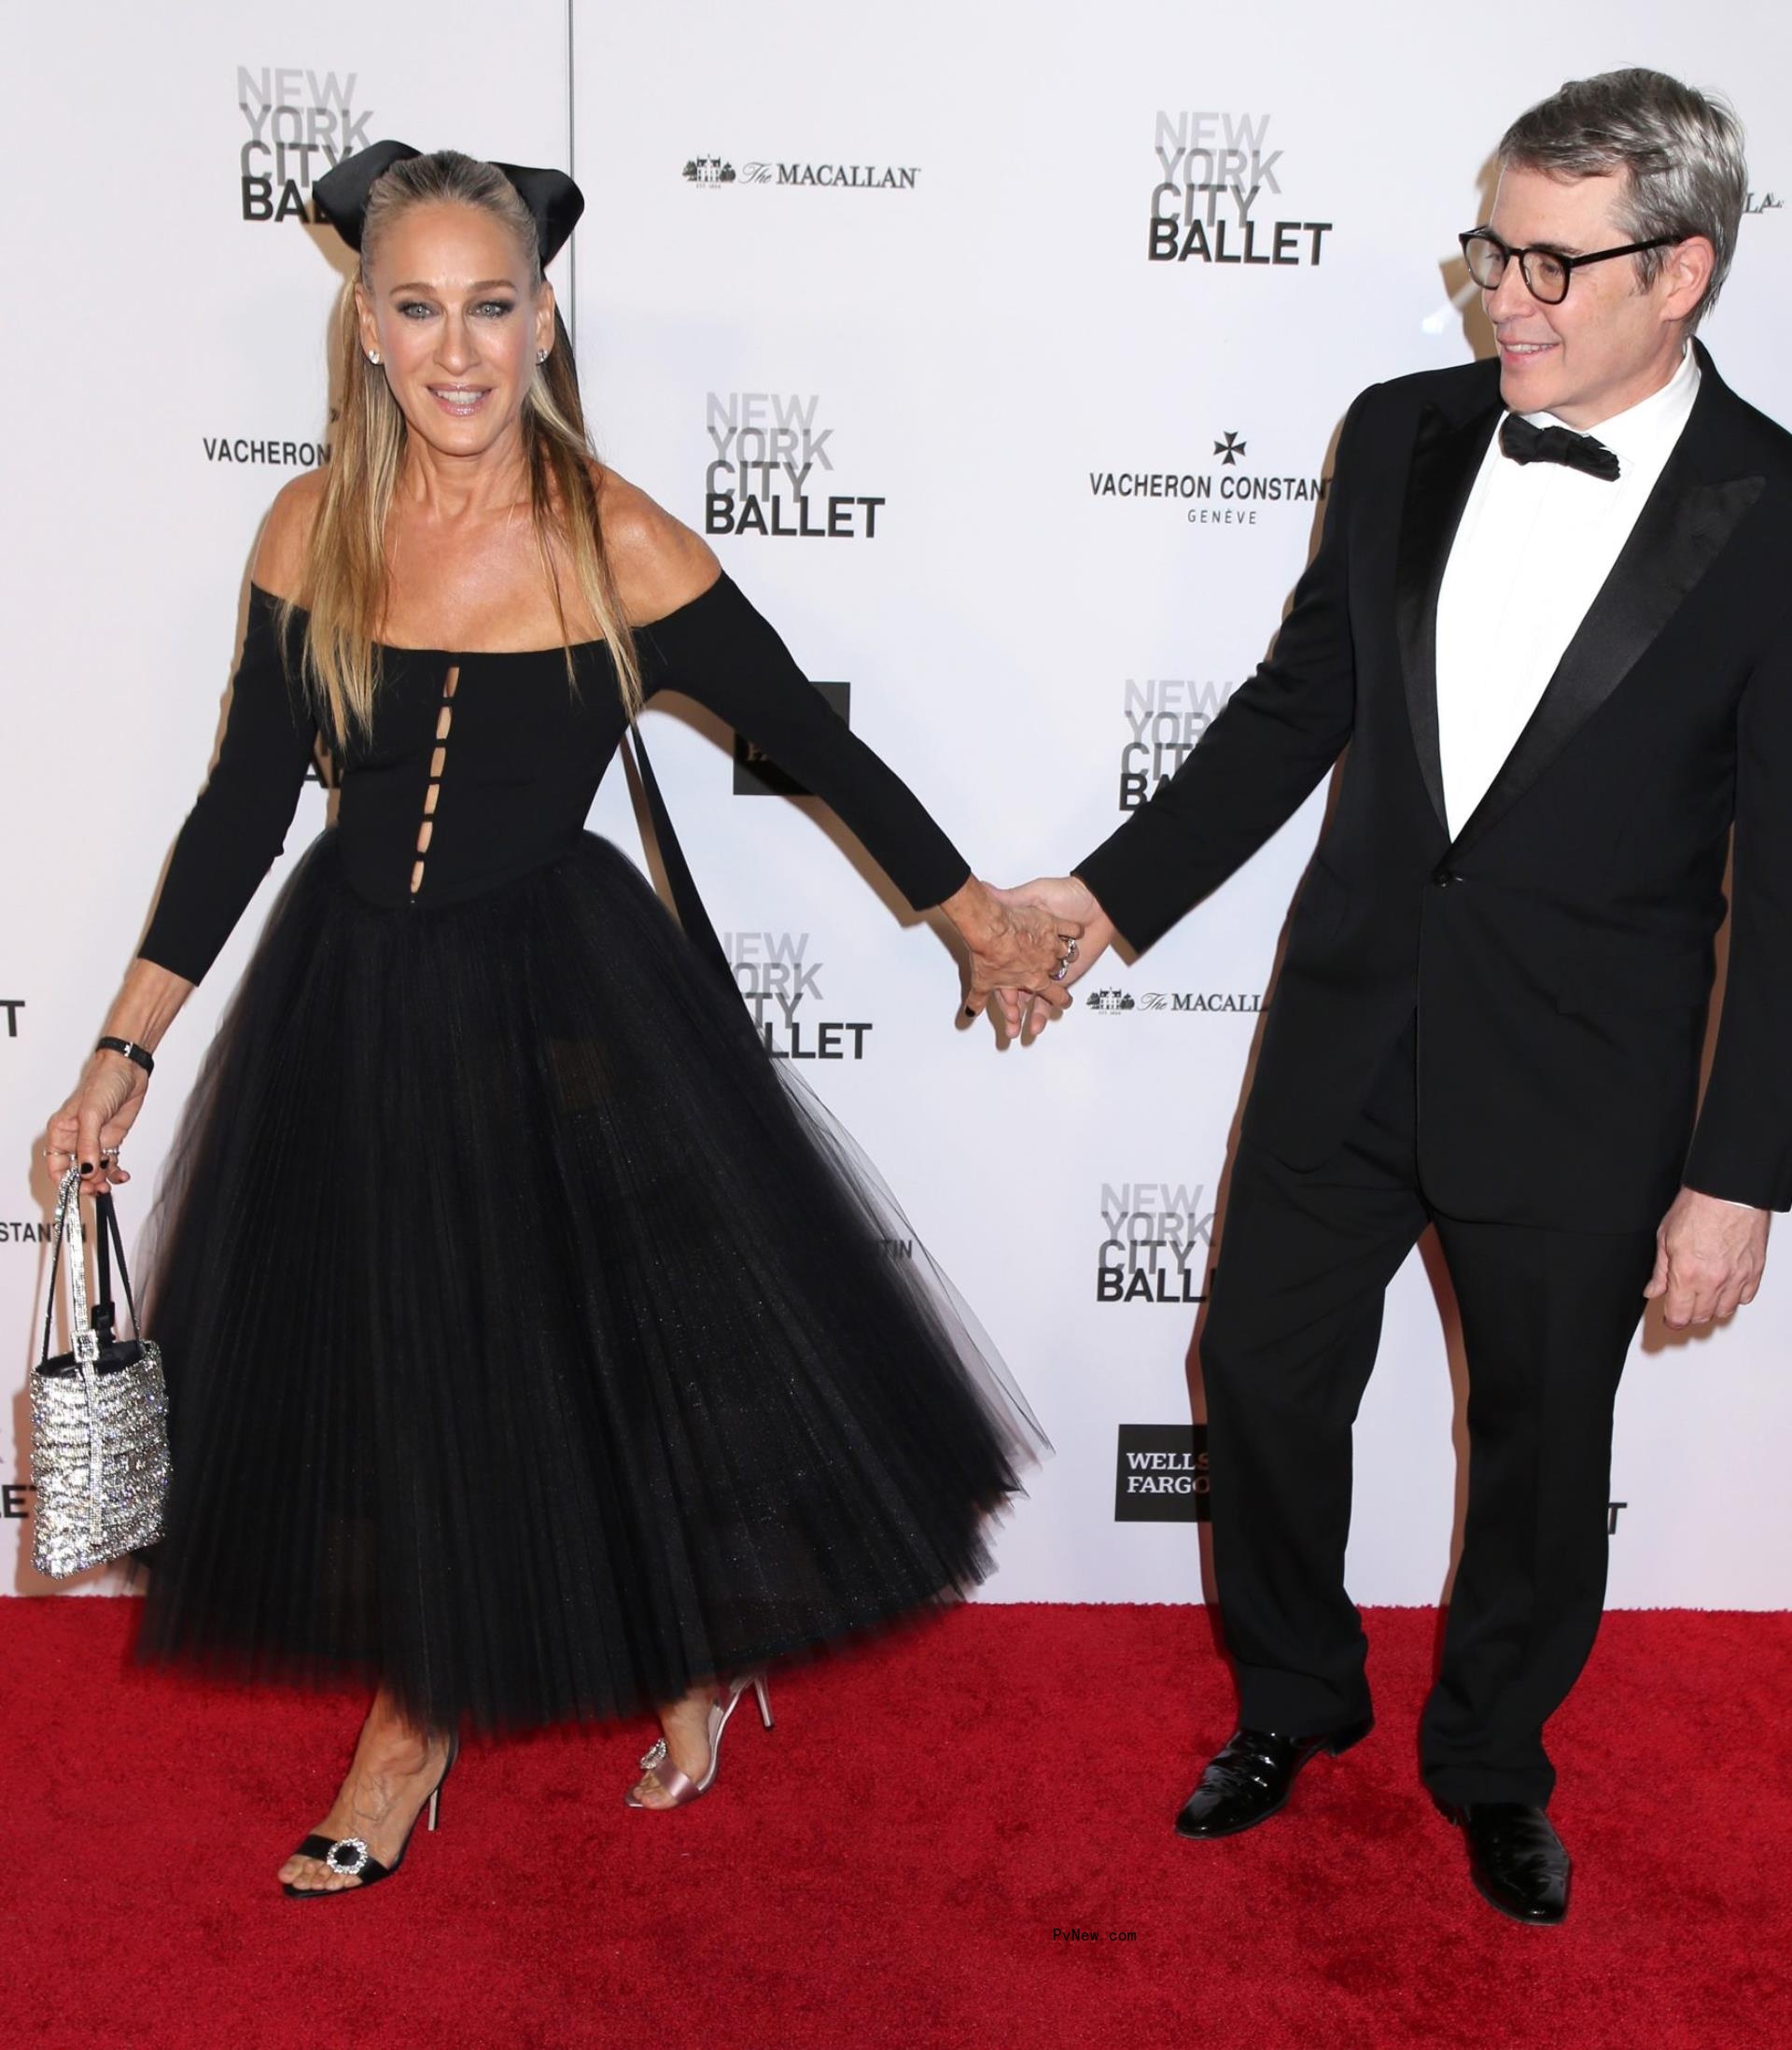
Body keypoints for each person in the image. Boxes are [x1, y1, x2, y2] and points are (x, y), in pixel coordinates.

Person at [42, 141, 1070, 1898]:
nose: (458, 350)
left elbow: (812, 744)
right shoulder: (308, 528)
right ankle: (429, 1709)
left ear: (540, 322)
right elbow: (240, 809)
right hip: (351, 993)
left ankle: (588, 1671)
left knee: (580, 1364)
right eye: (419, 308)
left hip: (555, 1001)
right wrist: (121, 1052)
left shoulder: (619, 541)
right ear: (367, 327)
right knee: (392, 1372)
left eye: (493, 307)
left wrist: (976, 921)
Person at [995, 69, 1788, 1925]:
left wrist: (1739, 1175)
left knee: (1541, 1453)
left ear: (1680, 272)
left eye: (1549, 263)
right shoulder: (1402, 432)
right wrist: (1103, 899)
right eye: (1491, 249)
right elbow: (1297, 708)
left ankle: (1496, 1762)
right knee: (1260, 1374)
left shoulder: (1774, 518)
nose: (1501, 296)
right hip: (1351, 1025)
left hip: (1586, 1076)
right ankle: (1294, 1696)